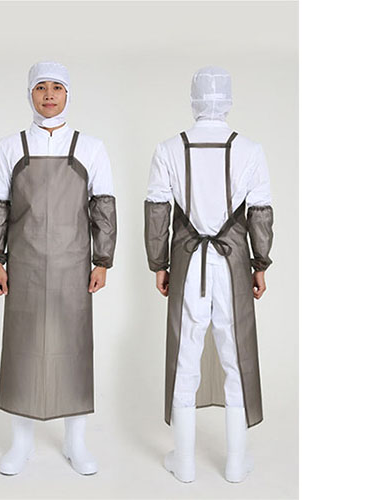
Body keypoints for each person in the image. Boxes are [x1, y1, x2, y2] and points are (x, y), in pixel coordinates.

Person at [0, 61, 117, 476]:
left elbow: (103, 207)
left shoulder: (90, 147)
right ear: (30, 93)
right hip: (23, 266)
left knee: (73, 350)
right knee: (22, 351)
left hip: (73, 265)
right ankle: (21, 443)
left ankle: (75, 443)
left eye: (56, 87)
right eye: (40, 87)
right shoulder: (9, 147)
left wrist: (102, 260)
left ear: (67, 94)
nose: (48, 95)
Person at [144, 66, 273, 483]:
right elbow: (260, 215)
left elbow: (157, 212)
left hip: (187, 263)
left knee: (186, 356)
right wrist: (260, 264)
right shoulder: (250, 150)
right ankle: (235, 463)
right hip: (232, 263)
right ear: (228, 100)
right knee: (235, 356)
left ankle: (183, 463)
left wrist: (159, 264)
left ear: (194, 100)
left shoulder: (168, 149)